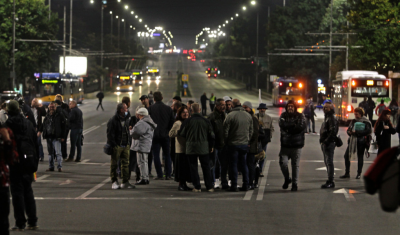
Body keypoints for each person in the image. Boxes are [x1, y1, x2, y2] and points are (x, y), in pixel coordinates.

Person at [5, 100, 39, 231]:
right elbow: (35, 142)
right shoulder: (28, 123)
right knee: (28, 191)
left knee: (17, 192)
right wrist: (35, 161)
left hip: (15, 161)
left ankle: (20, 222)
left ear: (8, 111)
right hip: (29, 159)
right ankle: (32, 220)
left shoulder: (9, 124)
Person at [179, 103, 215, 192]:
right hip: (204, 148)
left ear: (191, 110)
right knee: (206, 167)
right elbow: (212, 135)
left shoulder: (188, 121)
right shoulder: (206, 121)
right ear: (199, 110)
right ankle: (209, 186)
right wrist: (211, 146)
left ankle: (197, 186)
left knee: (193, 167)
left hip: (191, 148)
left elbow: (181, 133)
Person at [224, 99, 253, 192]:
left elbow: (225, 130)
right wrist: (247, 140)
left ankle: (234, 185)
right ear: (240, 104)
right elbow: (251, 130)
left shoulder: (230, 115)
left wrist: (227, 140)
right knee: (244, 164)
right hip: (244, 144)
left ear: (232, 105)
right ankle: (246, 184)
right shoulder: (248, 116)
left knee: (233, 165)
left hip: (233, 144)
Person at [278, 100, 306, 192]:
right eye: (288, 106)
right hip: (285, 145)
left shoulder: (300, 116)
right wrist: (293, 125)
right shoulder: (283, 116)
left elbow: (300, 127)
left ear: (295, 107)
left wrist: (288, 128)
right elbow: (282, 124)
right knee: (283, 163)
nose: (290, 108)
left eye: (292, 106)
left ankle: (295, 184)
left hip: (296, 145)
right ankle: (287, 178)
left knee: (295, 165)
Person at [107, 103, 134, 189]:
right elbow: (110, 134)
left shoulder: (126, 119)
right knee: (114, 164)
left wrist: (128, 142)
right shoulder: (113, 120)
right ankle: (114, 182)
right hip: (117, 146)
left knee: (125, 164)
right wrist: (114, 145)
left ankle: (125, 182)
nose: (127, 110)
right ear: (121, 110)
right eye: (126, 109)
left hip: (125, 145)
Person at [148, 91, 175, 180]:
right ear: (162, 98)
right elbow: (172, 121)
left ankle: (159, 174)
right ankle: (168, 174)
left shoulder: (150, 109)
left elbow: (148, 122)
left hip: (155, 135)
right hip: (165, 135)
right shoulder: (168, 109)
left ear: (154, 99)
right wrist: (168, 131)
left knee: (156, 155)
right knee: (167, 154)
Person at [340, 107, 372, 179]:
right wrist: (349, 132)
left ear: (361, 114)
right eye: (355, 114)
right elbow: (349, 129)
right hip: (352, 141)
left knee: (360, 156)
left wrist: (357, 132)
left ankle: (359, 173)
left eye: (357, 114)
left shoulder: (366, 121)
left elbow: (368, 131)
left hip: (361, 141)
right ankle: (347, 173)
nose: (356, 116)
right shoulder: (353, 121)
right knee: (346, 156)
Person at [130, 108, 157, 185]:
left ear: (141, 114)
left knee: (141, 162)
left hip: (141, 145)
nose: (137, 116)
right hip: (146, 144)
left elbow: (134, 132)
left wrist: (131, 131)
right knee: (144, 162)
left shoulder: (142, 123)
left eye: (138, 114)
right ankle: (145, 177)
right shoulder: (149, 121)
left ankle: (143, 178)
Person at [0, 125, 18, 235]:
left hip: (2, 181)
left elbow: (12, 158)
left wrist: (7, 141)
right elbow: (13, 158)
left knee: (3, 218)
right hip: (2, 180)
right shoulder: (5, 131)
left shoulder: (5, 131)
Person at [39, 101, 66, 172]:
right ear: (48, 107)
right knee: (50, 153)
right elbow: (43, 124)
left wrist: (63, 136)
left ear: (55, 107)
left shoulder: (60, 115)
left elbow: (64, 126)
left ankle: (59, 167)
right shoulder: (47, 115)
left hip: (57, 137)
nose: (51, 108)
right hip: (49, 137)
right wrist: (40, 131)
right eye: (50, 107)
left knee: (58, 152)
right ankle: (51, 167)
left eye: (53, 107)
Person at [169, 107, 192, 191]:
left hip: (187, 148)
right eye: (183, 112)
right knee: (181, 169)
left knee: (185, 169)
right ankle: (181, 184)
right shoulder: (178, 123)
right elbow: (170, 134)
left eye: (187, 112)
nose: (186, 114)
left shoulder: (188, 121)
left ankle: (184, 184)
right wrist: (179, 132)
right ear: (180, 114)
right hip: (180, 149)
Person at [208, 98, 227, 189]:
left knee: (224, 164)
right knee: (214, 165)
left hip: (223, 144)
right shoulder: (212, 116)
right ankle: (213, 182)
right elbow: (209, 131)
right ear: (217, 106)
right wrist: (211, 144)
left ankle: (224, 182)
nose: (224, 106)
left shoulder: (225, 116)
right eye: (222, 105)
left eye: (224, 105)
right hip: (215, 145)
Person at [319, 103, 338, 189]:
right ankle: (330, 180)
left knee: (329, 162)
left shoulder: (331, 118)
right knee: (327, 162)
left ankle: (331, 181)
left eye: (326, 108)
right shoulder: (327, 117)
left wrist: (326, 141)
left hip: (329, 143)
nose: (324, 109)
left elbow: (333, 132)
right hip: (326, 142)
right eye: (324, 107)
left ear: (330, 108)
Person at [242, 101, 259, 190]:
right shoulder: (246, 117)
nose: (244, 109)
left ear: (250, 108)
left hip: (251, 146)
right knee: (246, 164)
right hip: (246, 144)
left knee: (250, 164)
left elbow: (255, 133)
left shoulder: (253, 118)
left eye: (246, 108)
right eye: (243, 107)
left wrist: (248, 142)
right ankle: (248, 182)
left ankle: (251, 182)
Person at [255, 103, 274, 179]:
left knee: (263, 155)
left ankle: (260, 170)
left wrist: (269, 137)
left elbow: (272, 128)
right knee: (255, 155)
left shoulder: (269, 118)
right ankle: (255, 169)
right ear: (259, 109)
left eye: (263, 109)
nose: (262, 110)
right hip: (256, 140)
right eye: (261, 109)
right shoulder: (255, 117)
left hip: (264, 140)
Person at [55, 95, 70, 160]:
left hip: (64, 126)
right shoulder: (54, 107)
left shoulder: (65, 106)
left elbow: (68, 115)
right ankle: (58, 155)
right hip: (57, 127)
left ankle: (64, 155)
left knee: (63, 141)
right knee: (57, 142)